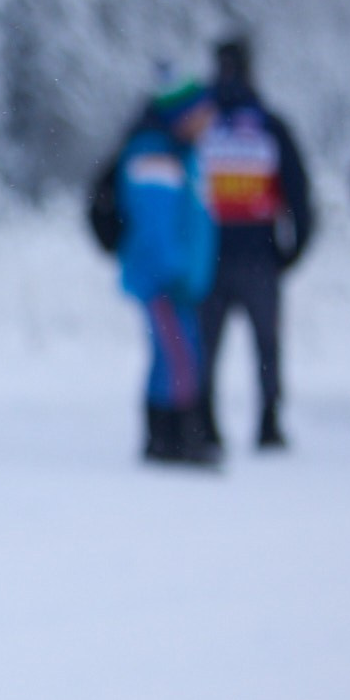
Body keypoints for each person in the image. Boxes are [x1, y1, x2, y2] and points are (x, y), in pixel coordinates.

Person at [194, 36, 312, 451]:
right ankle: (269, 422)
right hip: (260, 254)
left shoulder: (200, 123)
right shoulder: (268, 124)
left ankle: (203, 422)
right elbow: (298, 192)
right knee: (267, 346)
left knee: (205, 346)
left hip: (209, 255)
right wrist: (291, 249)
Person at [115, 75, 222, 467]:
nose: (209, 122)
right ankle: (178, 435)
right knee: (180, 356)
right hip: (164, 279)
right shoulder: (156, 156)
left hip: (179, 278)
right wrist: (173, 271)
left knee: (171, 355)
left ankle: (163, 437)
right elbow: (155, 225)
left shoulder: (179, 152)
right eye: (202, 114)